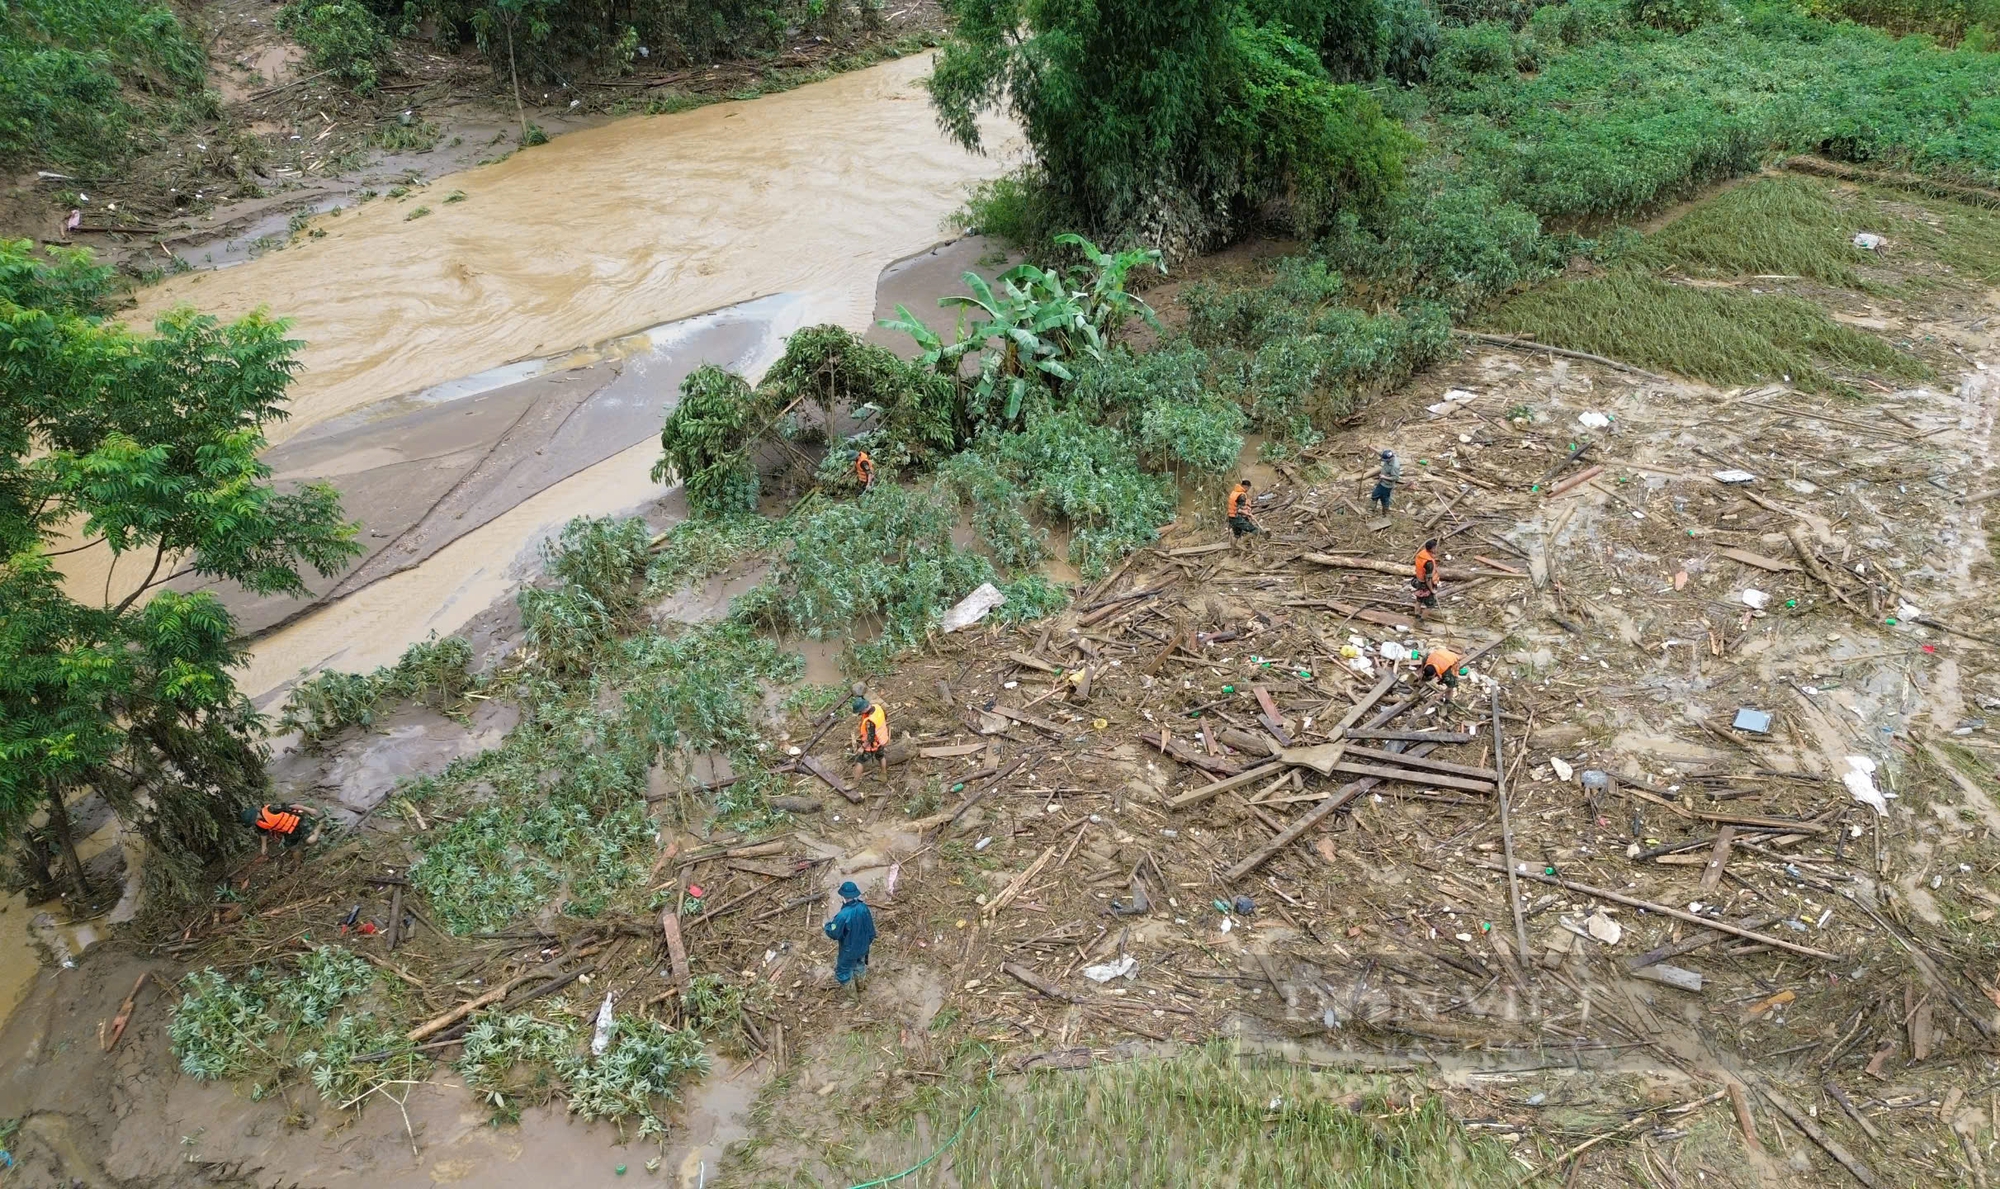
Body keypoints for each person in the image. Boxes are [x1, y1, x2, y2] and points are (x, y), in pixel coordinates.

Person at [823, 880, 876, 994]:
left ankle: (853, 1000)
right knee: (860, 965)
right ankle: (860, 987)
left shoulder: (843, 915)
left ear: (843, 896)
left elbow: (834, 933)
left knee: (843, 973)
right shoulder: (863, 907)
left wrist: (827, 926)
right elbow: (871, 930)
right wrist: (867, 942)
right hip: (863, 946)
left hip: (848, 950)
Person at [241, 802, 324, 858]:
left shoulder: (271, 809)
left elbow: (291, 805)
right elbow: (263, 833)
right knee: (293, 848)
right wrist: (264, 846)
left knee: (311, 840)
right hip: (288, 831)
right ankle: (298, 866)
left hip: (298, 821)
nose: (253, 824)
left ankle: (320, 825)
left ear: (254, 817)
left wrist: (308, 809)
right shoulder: (259, 823)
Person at [851, 695, 890, 782]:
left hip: (873, 744)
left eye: (860, 712)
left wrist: (862, 747)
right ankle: (884, 775)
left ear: (864, 709)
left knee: (860, 761)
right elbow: (885, 716)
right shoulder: (877, 707)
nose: (861, 714)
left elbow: (870, 738)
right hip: (881, 740)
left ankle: (855, 783)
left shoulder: (870, 721)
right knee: (881, 756)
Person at [1412, 537, 1441, 620]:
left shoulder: (1422, 555)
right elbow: (1428, 579)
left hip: (1419, 582)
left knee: (1419, 600)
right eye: (1435, 547)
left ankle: (1416, 617)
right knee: (1430, 605)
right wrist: (1432, 590)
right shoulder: (1428, 562)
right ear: (1432, 549)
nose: (1436, 549)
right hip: (1426, 585)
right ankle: (1420, 622)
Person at [1370, 450, 1401, 514]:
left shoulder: (1395, 466)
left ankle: (1385, 512)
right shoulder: (1389, 455)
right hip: (1381, 482)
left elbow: (1395, 478)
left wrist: (1384, 477)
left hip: (1387, 485)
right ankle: (1371, 510)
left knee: (1384, 499)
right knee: (1375, 494)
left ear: (1390, 458)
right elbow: (1380, 453)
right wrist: (1371, 448)